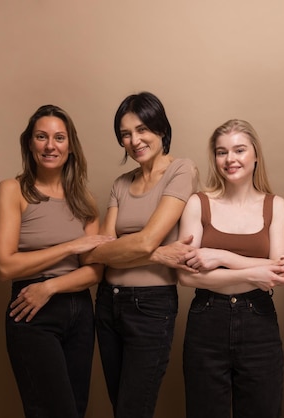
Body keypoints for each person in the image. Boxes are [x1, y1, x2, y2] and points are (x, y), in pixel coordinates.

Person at [80, 91, 198, 418]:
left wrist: (139, 249)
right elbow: (94, 254)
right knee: (121, 407)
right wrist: (158, 256)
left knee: (134, 409)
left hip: (151, 305)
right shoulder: (121, 183)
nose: (134, 140)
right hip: (107, 303)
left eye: (142, 129)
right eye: (126, 134)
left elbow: (144, 241)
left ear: (161, 129)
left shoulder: (182, 170)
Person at [0, 104, 106, 418]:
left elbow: (93, 271)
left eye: (59, 137)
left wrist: (51, 286)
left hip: (80, 313)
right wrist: (71, 246)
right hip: (31, 312)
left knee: (76, 409)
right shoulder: (13, 191)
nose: (50, 145)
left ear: (70, 146)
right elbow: (5, 266)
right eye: (41, 137)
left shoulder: (85, 199)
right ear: (30, 143)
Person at [176, 119, 284, 418]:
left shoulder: (275, 205)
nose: (230, 159)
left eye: (239, 150)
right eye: (221, 152)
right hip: (206, 319)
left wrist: (219, 256)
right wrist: (251, 273)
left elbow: (280, 269)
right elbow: (185, 276)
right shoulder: (197, 204)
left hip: (259, 321)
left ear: (255, 155)